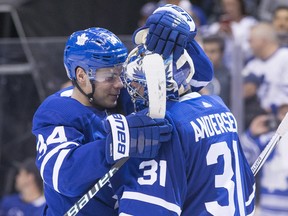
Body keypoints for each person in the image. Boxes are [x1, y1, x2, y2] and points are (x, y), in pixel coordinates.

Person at [107, 4, 256, 215]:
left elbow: (148, 209)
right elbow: (247, 192)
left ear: (162, 83)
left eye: (139, 83)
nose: (134, 89)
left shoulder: (164, 126)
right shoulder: (219, 107)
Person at [31, 27, 173, 215]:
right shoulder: (56, 112)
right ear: (81, 76)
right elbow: (63, 176)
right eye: (109, 77)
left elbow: (190, 84)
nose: (119, 83)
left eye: (120, 73)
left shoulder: (121, 96)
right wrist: (118, 143)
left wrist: (179, 41)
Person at [240, 102, 288, 215]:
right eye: (283, 113)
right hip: (269, 210)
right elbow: (243, 162)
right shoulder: (268, 140)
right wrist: (251, 134)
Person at [242, 22, 288, 119]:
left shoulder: (285, 56)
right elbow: (243, 92)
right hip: (261, 117)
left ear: (262, 41)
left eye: (251, 41)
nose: (249, 45)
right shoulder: (252, 64)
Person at [200, 34, 232, 108]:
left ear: (222, 53)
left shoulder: (229, 76)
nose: (208, 56)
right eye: (205, 51)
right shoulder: (194, 75)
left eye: (212, 51)